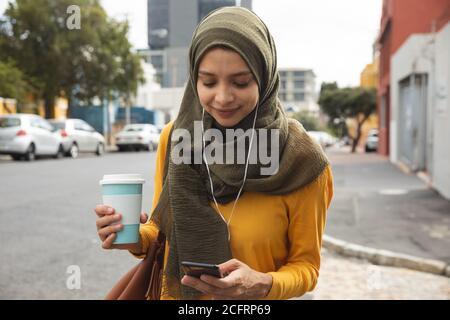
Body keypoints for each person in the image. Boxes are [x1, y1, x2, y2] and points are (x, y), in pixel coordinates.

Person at [94, 6, 333, 300]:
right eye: (208, 82)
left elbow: (306, 268)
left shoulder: (302, 160)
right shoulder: (176, 137)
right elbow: (160, 232)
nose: (222, 97)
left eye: (241, 82)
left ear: (265, 76)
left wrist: (262, 283)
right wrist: (128, 235)